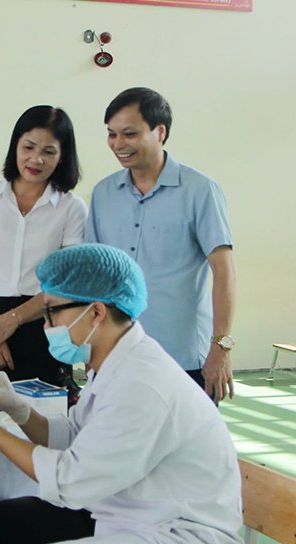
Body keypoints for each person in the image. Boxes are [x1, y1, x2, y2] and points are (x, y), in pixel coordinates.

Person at [0, 244, 243, 544]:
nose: (46, 326)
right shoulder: (113, 362)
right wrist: (16, 409)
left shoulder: (142, 384)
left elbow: (69, 481)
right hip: (130, 513)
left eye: (51, 313)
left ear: (96, 312)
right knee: (7, 521)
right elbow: (73, 436)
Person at [85, 87, 236, 404]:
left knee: (186, 451)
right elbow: (93, 277)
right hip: (117, 355)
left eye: (129, 134)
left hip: (181, 359)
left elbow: (224, 271)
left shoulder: (200, 191)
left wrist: (220, 348)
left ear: (160, 132)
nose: (118, 144)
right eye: (111, 134)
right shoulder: (103, 194)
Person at [0, 105, 87, 410]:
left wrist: (13, 320)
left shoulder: (72, 208)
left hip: (44, 323)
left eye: (49, 151)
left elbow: (64, 285)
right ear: (15, 144)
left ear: (63, 155)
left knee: (43, 425)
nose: (36, 159)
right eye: (28, 147)